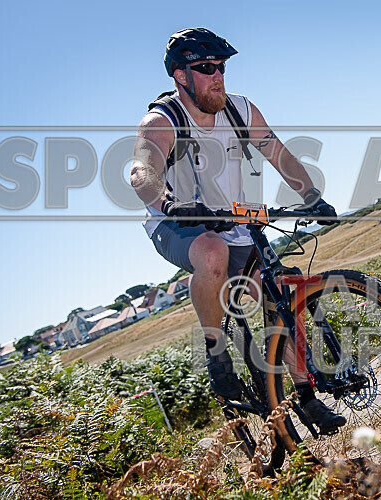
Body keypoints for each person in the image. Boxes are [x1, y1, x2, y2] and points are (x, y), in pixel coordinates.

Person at [130, 28, 345, 432]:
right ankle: (216, 351)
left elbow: (278, 153)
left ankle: (304, 396)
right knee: (211, 253)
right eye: (207, 68)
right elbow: (141, 173)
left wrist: (311, 195)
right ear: (180, 76)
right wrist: (170, 203)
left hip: (234, 220)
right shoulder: (163, 120)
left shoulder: (240, 110)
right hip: (178, 222)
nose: (218, 76)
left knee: (281, 295)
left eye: (222, 67)